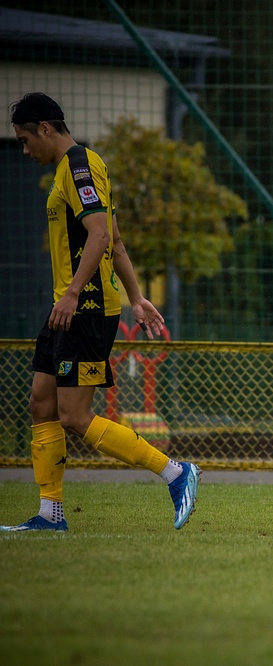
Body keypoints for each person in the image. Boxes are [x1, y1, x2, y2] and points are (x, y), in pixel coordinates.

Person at [2, 92, 200, 532]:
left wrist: (74, 293)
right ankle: (50, 514)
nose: (24, 150)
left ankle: (175, 472)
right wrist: (137, 298)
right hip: (67, 306)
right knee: (41, 403)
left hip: (85, 308)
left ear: (45, 129)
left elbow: (99, 236)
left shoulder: (79, 166)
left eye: (24, 139)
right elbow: (116, 240)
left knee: (74, 416)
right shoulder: (74, 168)